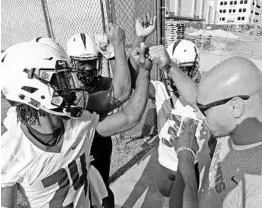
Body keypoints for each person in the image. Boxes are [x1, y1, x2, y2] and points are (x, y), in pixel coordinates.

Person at [1, 38, 152, 208]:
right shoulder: (9, 153)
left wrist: (145, 73)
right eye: (60, 79)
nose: (69, 86)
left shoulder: (77, 124)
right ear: (32, 88)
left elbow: (129, 117)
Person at [129, 13, 210, 207]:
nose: (174, 77)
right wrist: (139, 38)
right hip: (165, 162)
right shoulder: (160, 89)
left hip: (191, 161)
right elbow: (134, 80)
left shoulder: (202, 93)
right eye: (170, 70)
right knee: (167, 201)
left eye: (183, 70)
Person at [169, 56, 262, 208]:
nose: (198, 115)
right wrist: (169, 66)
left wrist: (185, 153)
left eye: (203, 110)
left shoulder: (256, 192)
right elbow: (198, 98)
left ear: (235, 107)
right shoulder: (234, 128)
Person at [66, 25, 131, 208]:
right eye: (82, 63)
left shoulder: (101, 82)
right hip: (75, 145)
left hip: (99, 141)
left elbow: (122, 86)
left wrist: (112, 56)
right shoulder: (66, 89)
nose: (88, 68)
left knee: (102, 187)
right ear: (72, 63)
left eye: (91, 62)